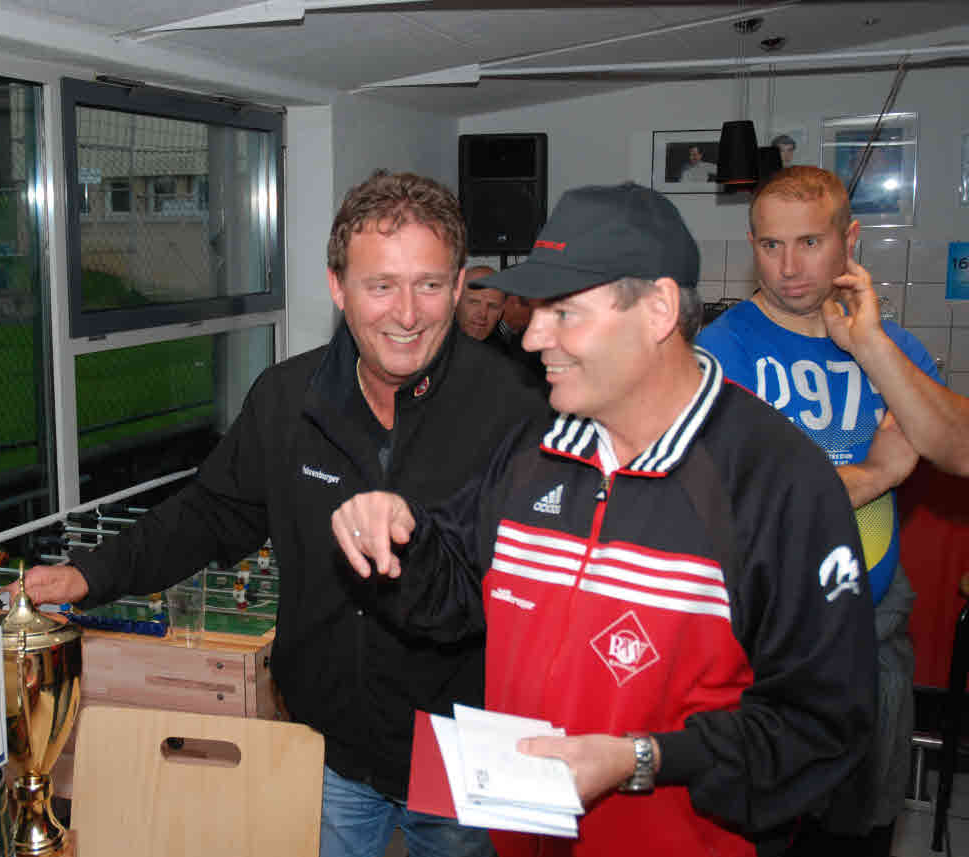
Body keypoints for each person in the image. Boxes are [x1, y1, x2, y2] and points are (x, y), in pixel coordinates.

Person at [331, 182, 877, 857]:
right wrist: (398, 537)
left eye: (563, 312)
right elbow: (455, 595)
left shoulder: (777, 481)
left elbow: (822, 726)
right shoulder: (534, 451)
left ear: (658, 310)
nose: (533, 336)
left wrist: (642, 758)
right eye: (537, 312)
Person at [22, 170, 544, 857]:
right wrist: (91, 574)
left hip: (461, 755)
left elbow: (509, 599)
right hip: (328, 749)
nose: (407, 313)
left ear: (456, 286)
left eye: (429, 284)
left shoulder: (514, 411)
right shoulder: (287, 399)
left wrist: (411, 543)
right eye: (380, 285)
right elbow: (209, 514)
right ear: (338, 287)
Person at [696, 165, 969, 854]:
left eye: (810, 243)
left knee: (856, 834)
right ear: (752, 245)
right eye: (771, 245)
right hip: (759, 639)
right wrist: (878, 469)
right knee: (756, 832)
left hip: (870, 632)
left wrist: (871, 347)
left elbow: (958, 449)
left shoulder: (889, 344)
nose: (788, 267)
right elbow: (744, 499)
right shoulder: (720, 350)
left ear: (850, 239)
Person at [455, 266, 507, 342]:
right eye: (474, 302)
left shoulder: (502, 347)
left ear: (500, 313)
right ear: (455, 301)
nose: (483, 314)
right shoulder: (437, 343)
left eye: (492, 306)